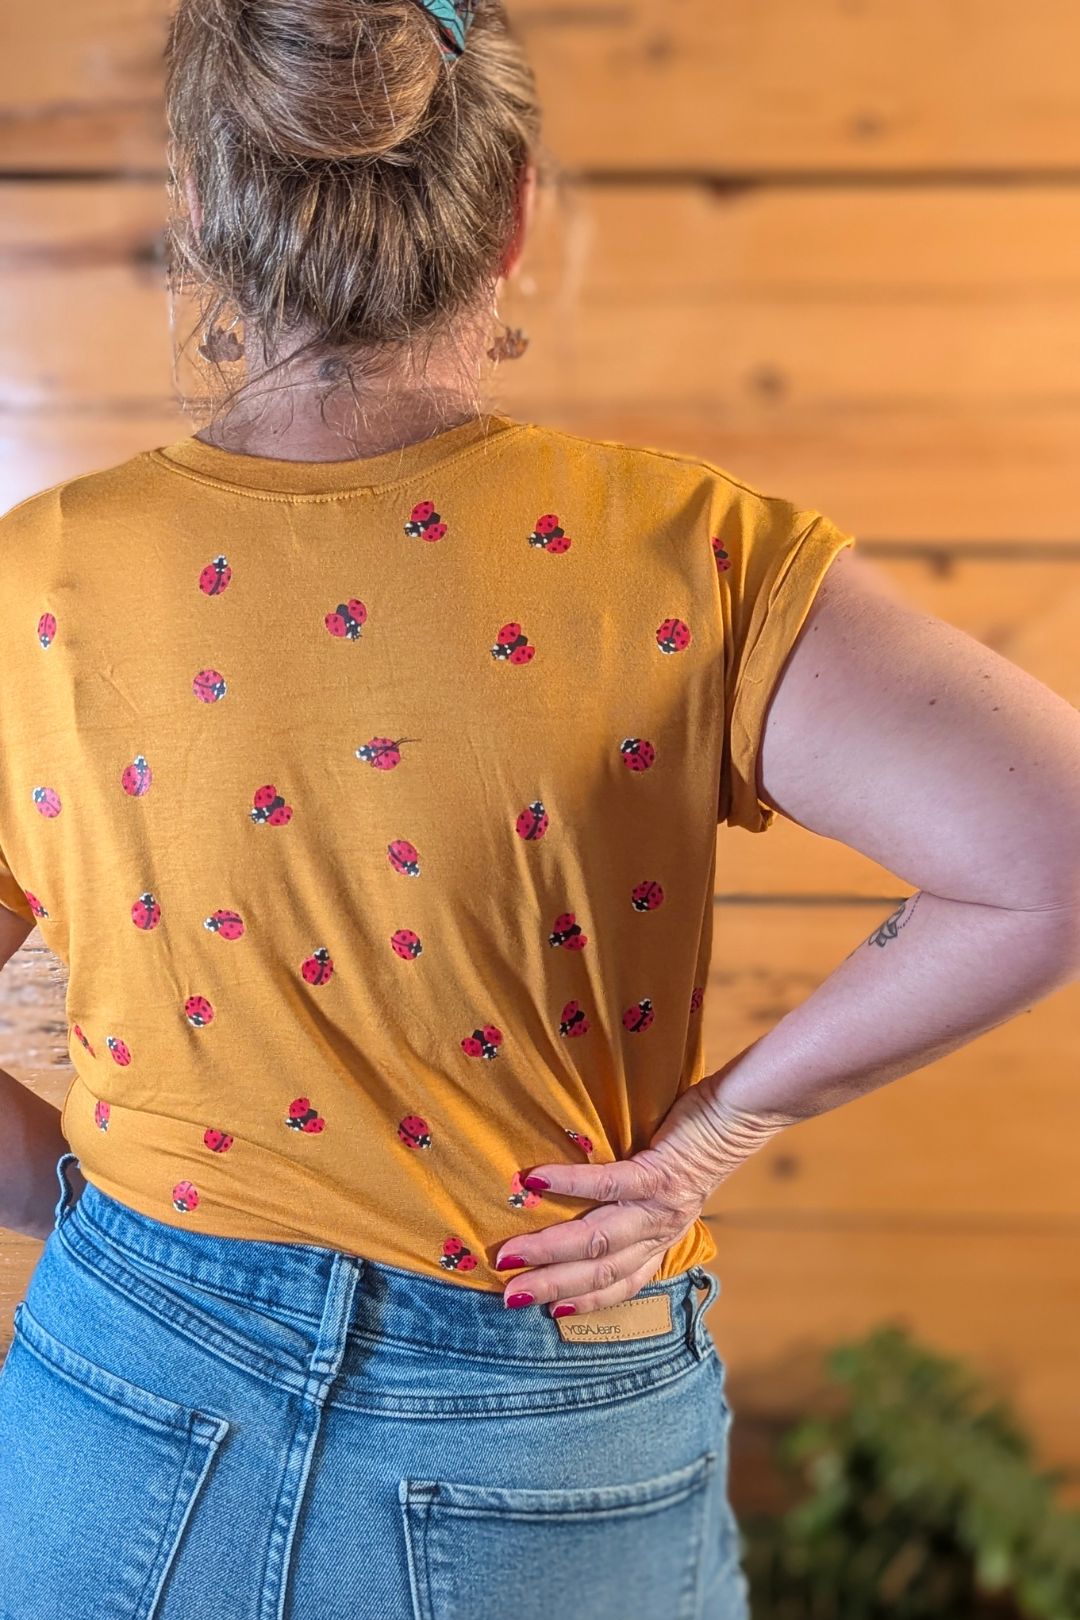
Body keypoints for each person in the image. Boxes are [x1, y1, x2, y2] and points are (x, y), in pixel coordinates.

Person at [0, 1, 1077, 1615]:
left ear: (205, 211)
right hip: (536, 1392)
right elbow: (1055, 853)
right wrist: (717, 1134)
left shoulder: (31, 578)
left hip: (120, 1387)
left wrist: (71, 1200)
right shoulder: (680, 552)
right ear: (510, 214)